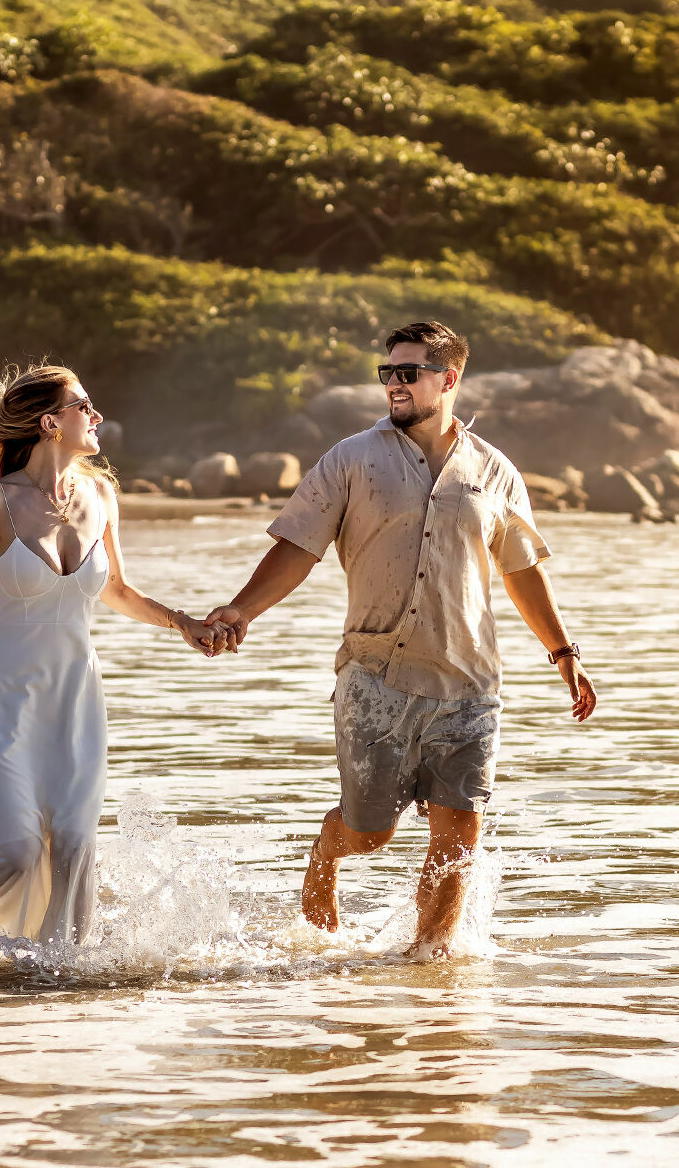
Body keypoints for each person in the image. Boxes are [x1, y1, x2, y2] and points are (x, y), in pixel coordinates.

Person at [203, 321, 597, 958]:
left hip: (470, 686)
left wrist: (564, 653)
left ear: (449, 380)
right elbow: (297, 547)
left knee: (458, 840)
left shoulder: (493, 470)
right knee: (369, 831)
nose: (393, 384)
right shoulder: (352, 458)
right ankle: (324, 860)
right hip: (374, 676)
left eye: (408, 373)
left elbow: (521, 568)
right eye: (387, 373)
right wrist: (242, 611)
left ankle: (430, 974)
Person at [0, 365, 229, 945]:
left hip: (77, 695)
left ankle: (59, 988)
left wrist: (183, 624)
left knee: (75, 847)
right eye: (84, 406)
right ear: (51, 423)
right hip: (6, 695)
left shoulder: (100, 495)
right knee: (21, 853)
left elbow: (117, 590)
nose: (96, 416)